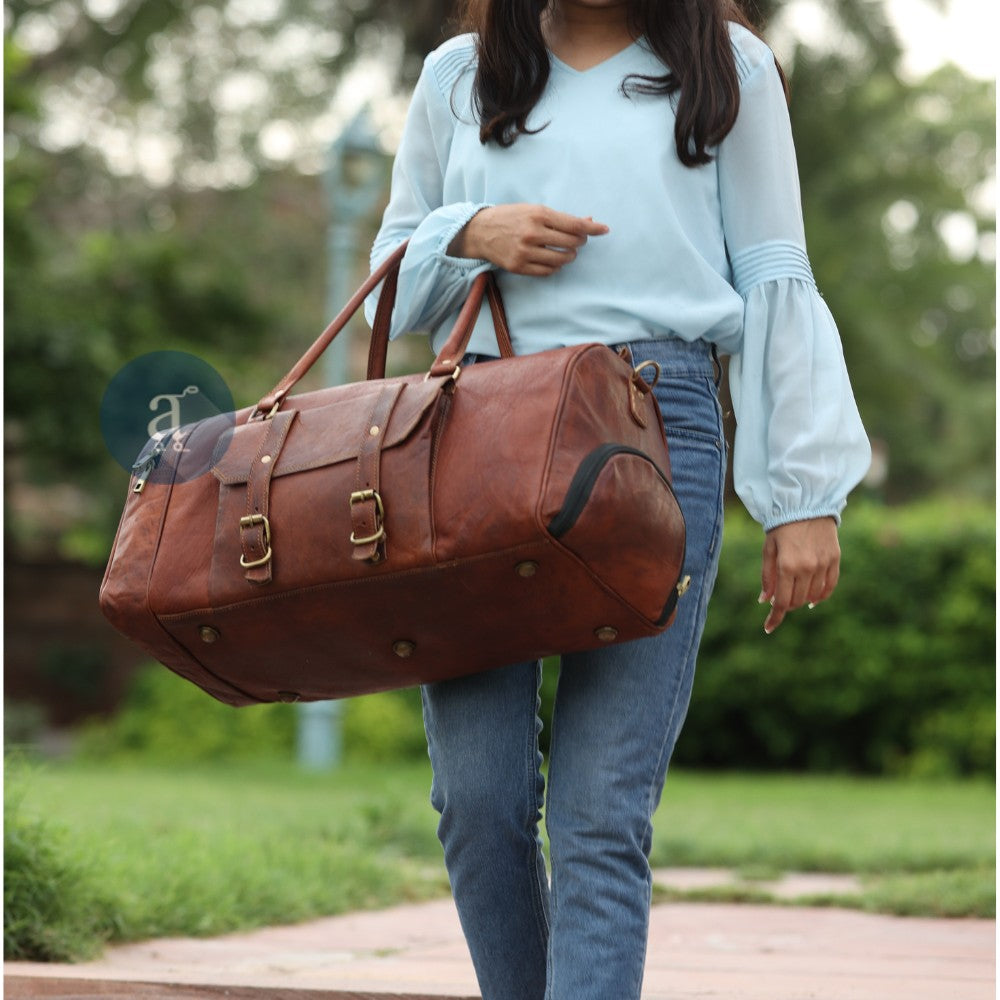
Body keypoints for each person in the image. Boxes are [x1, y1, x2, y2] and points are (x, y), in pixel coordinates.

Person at [364, 1, 871, 997]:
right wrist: (470, 229)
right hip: (476, 437)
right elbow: (389, 285)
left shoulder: (728, 67)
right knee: (478, 801)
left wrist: (799, 493)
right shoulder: (456, 77)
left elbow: (772, 268)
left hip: (654, 418)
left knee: (601, 809)